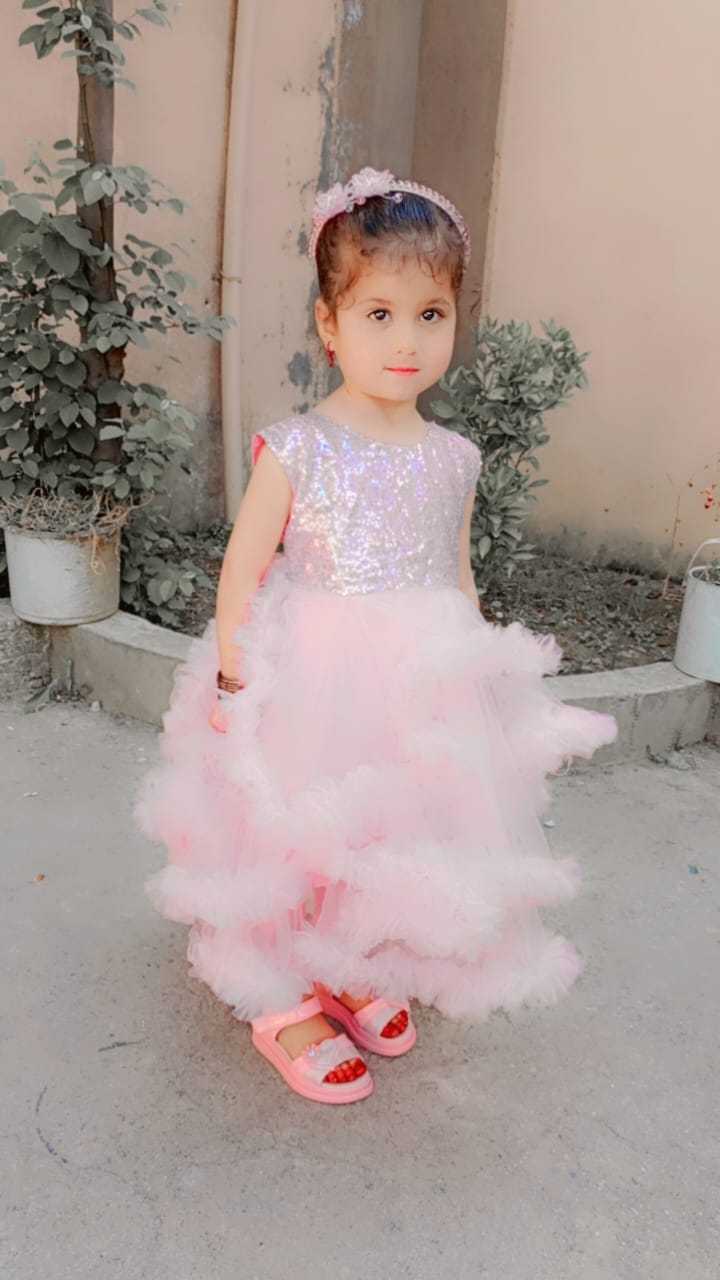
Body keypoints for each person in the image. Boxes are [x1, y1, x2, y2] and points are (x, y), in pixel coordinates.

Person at [135, 166, 617, 1105]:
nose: (407, 340)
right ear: (330, 325)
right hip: (315, 671)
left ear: (455, 320)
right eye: (379, 314)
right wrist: (235, 680)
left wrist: (479, 672)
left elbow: (456, 571)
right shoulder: (299, 447)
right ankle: (283, 992)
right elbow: (242, 572)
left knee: (389, 826)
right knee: (299, 822)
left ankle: (348, 959)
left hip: (417, 676)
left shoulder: (455, 457)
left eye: (430, 315)